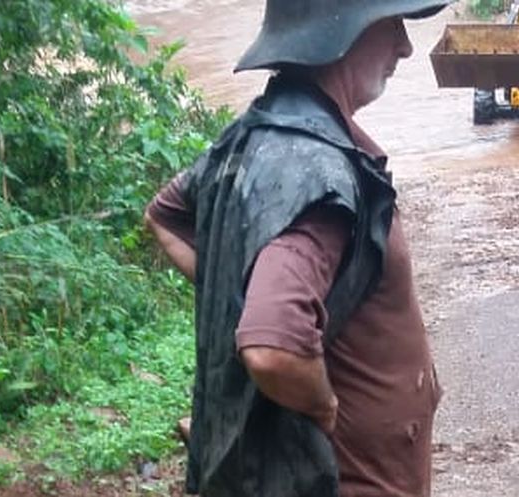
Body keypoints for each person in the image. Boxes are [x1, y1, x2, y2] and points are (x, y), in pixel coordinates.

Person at [143, 1, 451, 495]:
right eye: (391, 24)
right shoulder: (316, 172)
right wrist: (323, 404)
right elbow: (273, 349)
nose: (405, 46)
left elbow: (166, 217)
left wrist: (245, 289)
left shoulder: (256, 134)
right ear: (339, 36)